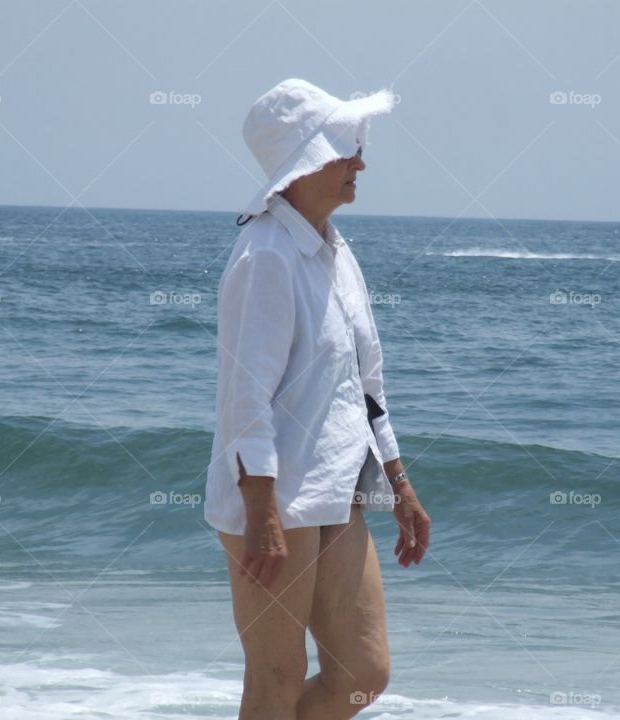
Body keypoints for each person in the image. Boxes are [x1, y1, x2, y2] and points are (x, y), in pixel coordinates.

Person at [205, 78, 432, 720]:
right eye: (344, 147)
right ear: (305, 159)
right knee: (275, 680)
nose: (361, 160)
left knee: (364, 672)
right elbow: (242, 399)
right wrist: (263, 516)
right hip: (275, 501)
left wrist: (400, 482)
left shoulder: (335, 250)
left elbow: (367, 384)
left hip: (338, 491)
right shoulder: (266, 257)